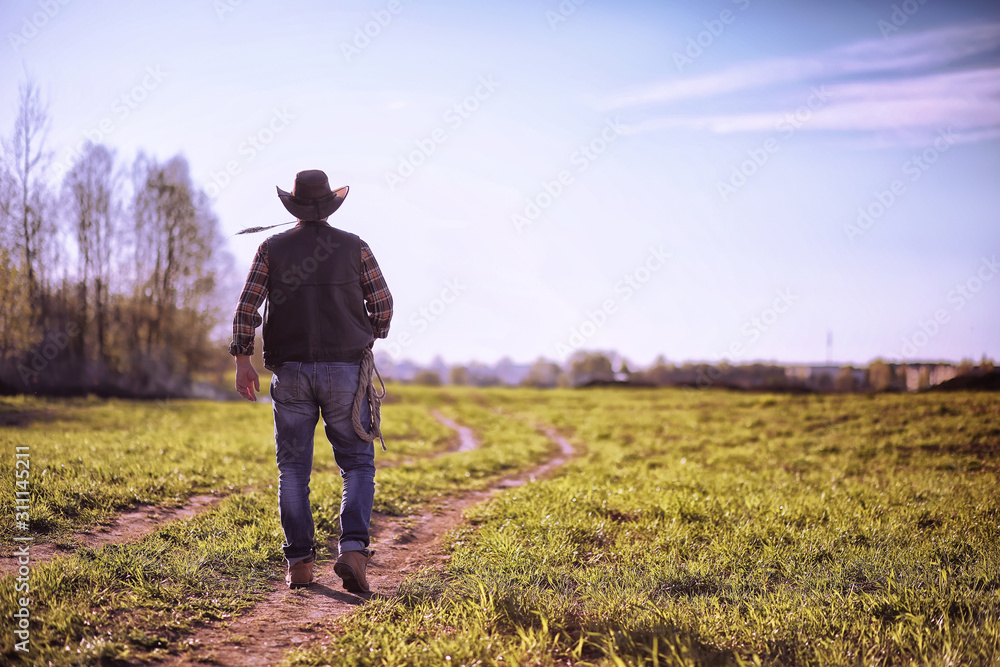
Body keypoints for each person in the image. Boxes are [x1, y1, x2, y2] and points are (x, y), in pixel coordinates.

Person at [229, 169, 393, 593]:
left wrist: (243, 359)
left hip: (291, 372)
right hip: (346, 370)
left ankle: (299, 563)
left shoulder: (271, 247)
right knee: (356, 463)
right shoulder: (356, 247)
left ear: (295, 207)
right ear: (330, 205)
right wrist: (365, 335)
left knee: (293, 469)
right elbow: (384, 304)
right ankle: (353, 550)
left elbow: (247, 307)